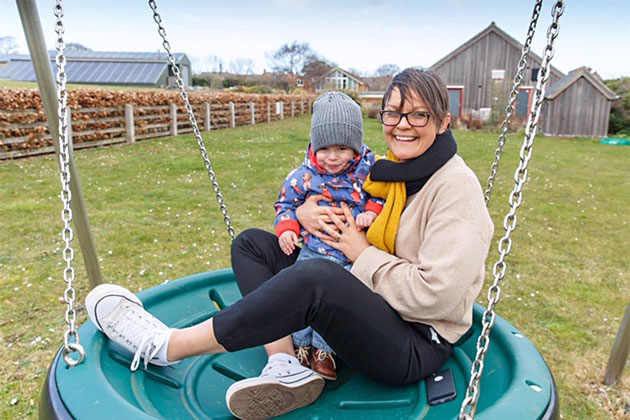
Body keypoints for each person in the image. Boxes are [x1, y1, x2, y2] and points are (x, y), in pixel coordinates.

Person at [85, 67, 494, 420]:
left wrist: (360, 253)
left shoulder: (455, 189)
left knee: (319, 276)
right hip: (375, 299)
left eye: (418, 114)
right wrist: (301, 216)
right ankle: (285, 363)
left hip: (412, 340)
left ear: (443, 122)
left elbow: (435, 296)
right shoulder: (394, 171)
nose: (403, 124)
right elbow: (345, 208)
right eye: (393, 112)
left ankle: (167, 346)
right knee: (252, 246)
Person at [274, 91, 383, 380]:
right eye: (324, 149)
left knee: (336, 306)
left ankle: (324, 352)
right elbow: (285, 204)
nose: (332, 157)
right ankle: (299, 348)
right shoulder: (302, 176)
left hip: (349, 256)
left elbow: (381, 196)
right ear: (313, 146)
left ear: (356, 148)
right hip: (312, 253)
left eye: (342, 149)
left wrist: (370, 212)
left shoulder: (368, 172)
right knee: (301, 299)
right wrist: (288, 228)